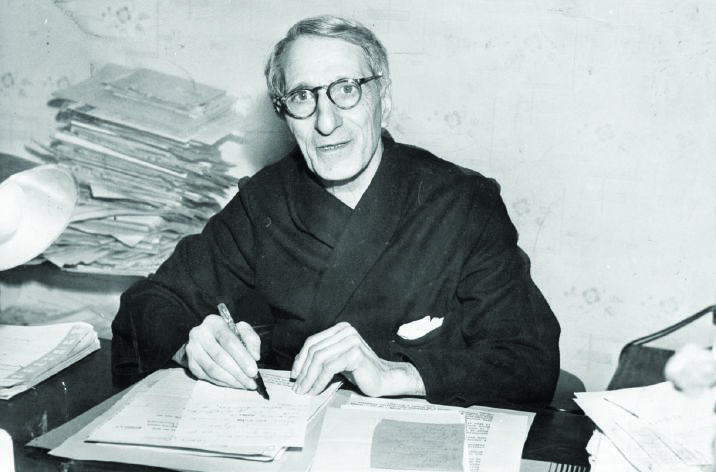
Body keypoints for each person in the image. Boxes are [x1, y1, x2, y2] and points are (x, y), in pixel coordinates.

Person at [111, 15, 560, 407]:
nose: (326, 122)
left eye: (347, 89)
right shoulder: (265, 200)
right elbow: (147, 304)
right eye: (302, 97)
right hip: (289, 432)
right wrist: (194, 347)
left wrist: (398, 375)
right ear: (285, 115)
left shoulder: (462, 202)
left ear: (384, 100)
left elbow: (530, 362)